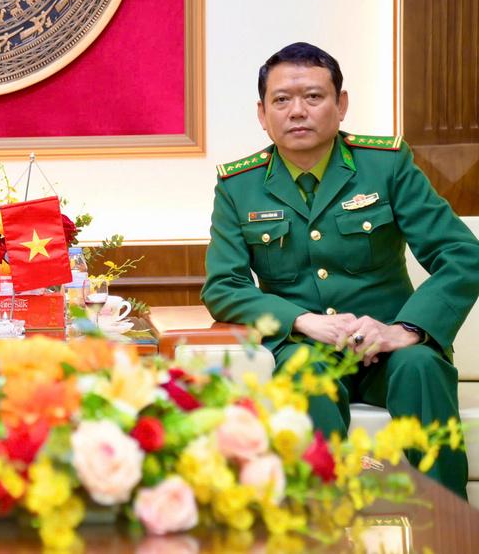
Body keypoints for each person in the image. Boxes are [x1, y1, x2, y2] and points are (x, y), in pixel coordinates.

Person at [201, 42, 479, 498]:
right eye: (282, 100)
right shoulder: (239, 186)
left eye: (313, 97)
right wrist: (302, 321)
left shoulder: (386, 165)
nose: (297, 112)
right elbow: (224, 286)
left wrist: (406, 329)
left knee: (421, 367)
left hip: (388, 347)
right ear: (261, 113)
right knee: (302, 376)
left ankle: (448, 531)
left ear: (340, 104)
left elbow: (462, 255)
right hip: (304, 346)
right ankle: (318, 532)